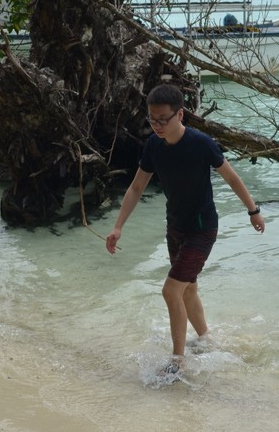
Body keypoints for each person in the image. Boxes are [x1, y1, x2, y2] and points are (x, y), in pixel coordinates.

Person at [105, 84, 265, 379]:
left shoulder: (201, 143)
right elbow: (137, 187)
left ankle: (178, 361)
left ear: (180, 114)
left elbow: (231, 177)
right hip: (175, 225)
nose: (157, 125)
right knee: (187, 288)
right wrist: (118, 226)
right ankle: (206, 340)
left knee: (170, 290)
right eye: (152, 119)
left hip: (202, 228)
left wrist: (253, 211)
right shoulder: (153, 145)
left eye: (163, 119)